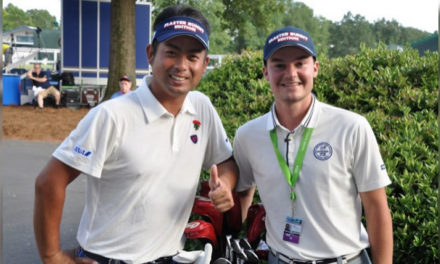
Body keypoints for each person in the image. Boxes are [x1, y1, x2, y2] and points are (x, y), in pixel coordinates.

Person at [34, 5, 238, 264]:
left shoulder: (201, 108)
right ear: (151, 54)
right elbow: (49, 182)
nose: (181, 66)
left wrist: (226, 186)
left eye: (193, 57)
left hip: (168, 257)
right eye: (171, 53)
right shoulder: (112, 115)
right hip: (107, 258)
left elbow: (225, 161)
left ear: (205, 64)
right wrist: (52, 256)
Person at [233, 26, 393, 264]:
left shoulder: (351, 127)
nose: (291, 73)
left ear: (315, 68)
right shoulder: (248, 135)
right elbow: (244, 192)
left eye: (300, 63)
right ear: (266, 72)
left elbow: (377, 208)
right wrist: (227, 208)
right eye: (279, 65)